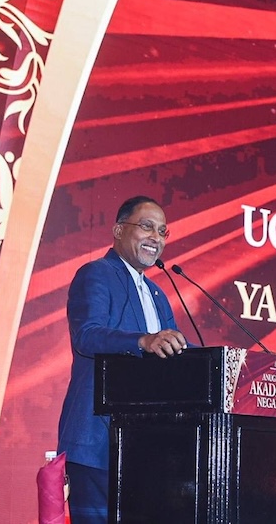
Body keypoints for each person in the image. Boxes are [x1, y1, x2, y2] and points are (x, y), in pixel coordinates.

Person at [57, 196, 188, 524]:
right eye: (147, 226)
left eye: (162, 231)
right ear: (118, 230)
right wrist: (142, 341)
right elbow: (87, 335)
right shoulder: (96, 274)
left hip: (146, 448)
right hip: (98, 441)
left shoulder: (158, 294)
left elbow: (175, 353)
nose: (156, 237)